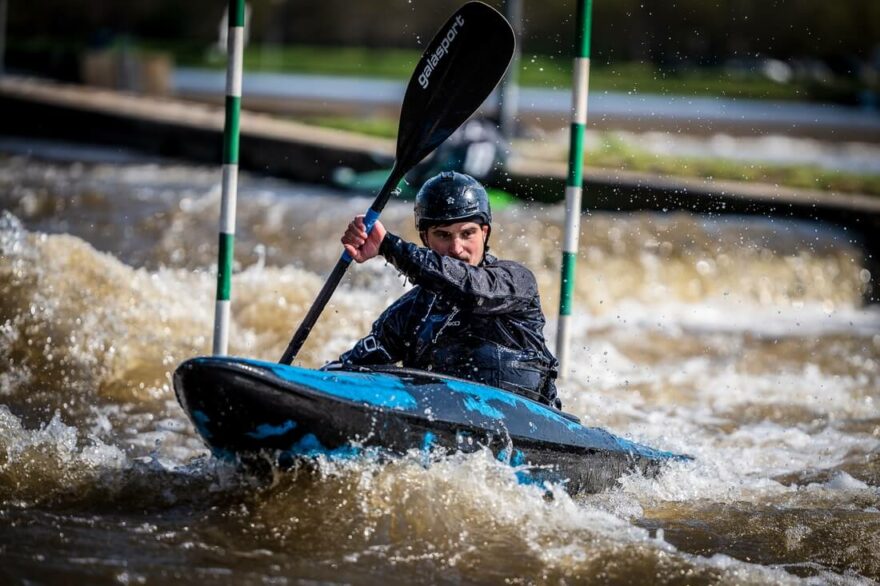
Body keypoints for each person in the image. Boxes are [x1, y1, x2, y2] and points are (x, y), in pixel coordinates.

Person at [335, 171, 561, 409]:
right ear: (425, 238)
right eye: (443, 235)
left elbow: (470, 290)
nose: (457, 248)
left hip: (527, 425)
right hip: (438, 426)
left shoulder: (515, 281)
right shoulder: (411, 312)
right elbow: (350, 370)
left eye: (467, 233)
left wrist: (389, 247)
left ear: (484, 233)